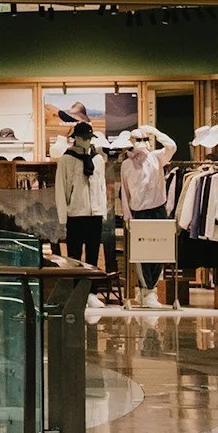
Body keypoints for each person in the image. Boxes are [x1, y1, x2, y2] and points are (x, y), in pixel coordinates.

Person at [116, 125, 178, 304]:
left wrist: (156, 132)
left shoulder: (157, 157)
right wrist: (127, 217)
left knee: (159, 249)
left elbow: (172, 147)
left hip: (158, 210)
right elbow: (125, 192)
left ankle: (152, 290)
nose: (142, 143)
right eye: (138, 139)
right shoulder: (126, 165)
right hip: (138, 212)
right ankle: (145, 289)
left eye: (145, 139)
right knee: (141, 252)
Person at [57, 121, 108, 270]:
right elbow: (61, 188)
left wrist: (102, 211)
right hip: (76, 214)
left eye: (89, 138)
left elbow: (101, 187)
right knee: (74, 256)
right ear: (76, 138)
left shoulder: (98, 159)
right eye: (84, 138)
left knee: (93, 255)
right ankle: (75, 289)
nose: (87, 141)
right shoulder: (66, 159)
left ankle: (91, 290)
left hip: (95, 214)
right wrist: (63, 216)